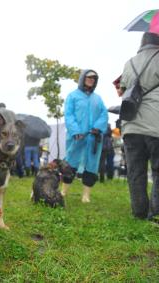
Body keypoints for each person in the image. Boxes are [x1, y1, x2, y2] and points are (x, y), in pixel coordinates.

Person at [120, 32, 159, 226]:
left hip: (131, 125)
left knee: (135, 171)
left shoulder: (129, 62)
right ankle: (157, 217)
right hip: (158, 124)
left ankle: (139, 213)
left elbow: (123, 90)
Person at [61, 69, 108, 203]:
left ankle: (86, 195)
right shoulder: (73, 96)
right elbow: (69, 115)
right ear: (82, 78)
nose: (91, 80)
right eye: (89, 77)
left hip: (93, 138)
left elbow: (104, 114)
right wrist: (75, 131)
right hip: (77, 137)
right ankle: (64, 191)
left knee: (91, 165)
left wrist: (98, 128)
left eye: (94, 78)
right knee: (70, 163)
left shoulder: (98, 99)